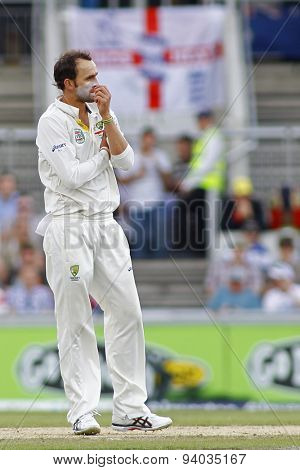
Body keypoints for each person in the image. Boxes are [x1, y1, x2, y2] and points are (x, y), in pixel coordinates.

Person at [35, 50, 171, 435]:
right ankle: (82, 411)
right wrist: (102, 155)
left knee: (127, 312)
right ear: (68, 84)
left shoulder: (98, 113)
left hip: (106, 226)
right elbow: (73, 176)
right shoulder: (51, 122)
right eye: (89, 76)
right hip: (69, 225)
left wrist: (108, 119)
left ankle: (129, 409)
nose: (97, 81)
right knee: (76, 318)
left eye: (96, 74)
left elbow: (126, 162)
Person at [117, 128, 172, 258]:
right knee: (140, 239)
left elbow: (168, 181)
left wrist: (159, 169)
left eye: (151, 140)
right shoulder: (133, 156)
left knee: (159, 238)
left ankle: (161, 267)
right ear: (142, 140)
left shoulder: (160, 155)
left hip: (157, 202)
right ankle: (140, 270)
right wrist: (137, 175)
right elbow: (122, 180)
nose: (149, 143)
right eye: (147, 140)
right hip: (137, 204)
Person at [178, 111, 225, 256]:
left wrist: (188, 184)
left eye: (201, 120)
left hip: (209, 187)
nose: (199, 123)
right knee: (201, 220)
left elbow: (207, 165)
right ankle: (197, 250)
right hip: (203, 186)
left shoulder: (212, 137)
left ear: (206, 120)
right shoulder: (207, 137)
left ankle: (201, 252)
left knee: (206, 222)